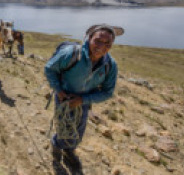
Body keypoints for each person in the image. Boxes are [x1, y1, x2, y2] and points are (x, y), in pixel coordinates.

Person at [44, 24, 124, 174]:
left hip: (84, 102)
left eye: (108, 44)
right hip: (64, 98)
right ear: (89, 38)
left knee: (78, 131)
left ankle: (69, 151)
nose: (102, 46)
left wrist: (83, 100)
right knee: (64, 128)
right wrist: (59, 90)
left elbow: (107, 92)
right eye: (98, 41)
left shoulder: (110, 65)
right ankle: (56, 145)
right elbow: (50, 68)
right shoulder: (72, 54)